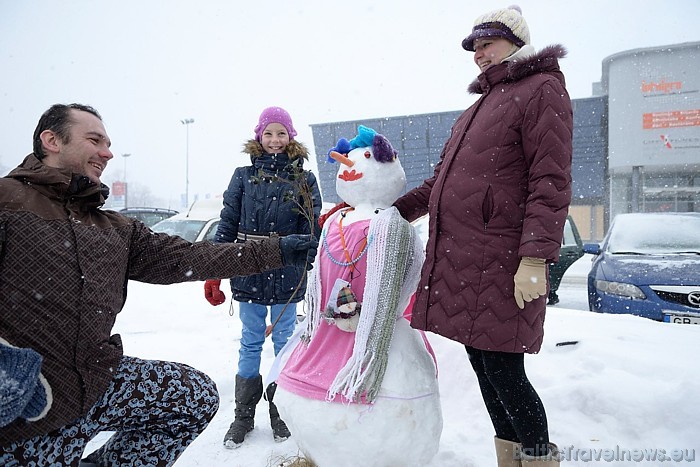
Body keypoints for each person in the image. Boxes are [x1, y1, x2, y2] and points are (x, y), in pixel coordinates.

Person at [0, 103, 318, 466]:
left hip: (95, 379)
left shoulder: (113, 228)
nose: (108, 152)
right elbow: (230, 219)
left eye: (108, 143)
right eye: (95, 140)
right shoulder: (7, 203)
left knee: (195, 396)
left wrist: (277, 250)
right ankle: (245, 414)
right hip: (23, 400)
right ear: (51, 140)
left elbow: (186, 257)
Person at [392, 6, 573, 467]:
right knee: (484, 365)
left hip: (504, 260)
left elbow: (549, 182)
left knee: (504, 369)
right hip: (468, 259)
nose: (479, 53)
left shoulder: (541, 90)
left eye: (487, 43)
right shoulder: (478, 107)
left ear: (516, 42)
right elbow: (441, 184)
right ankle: (511, 459)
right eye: (474, 46)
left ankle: (535, 460)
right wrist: (389, 213)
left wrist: (534, 259)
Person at [202, 106, 321, 448]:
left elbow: (311, 229)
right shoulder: (242, 176)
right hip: (248, 269)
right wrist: (214, 271)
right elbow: (226, 223)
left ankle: (281, 410)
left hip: (288, 274)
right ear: (258, 136)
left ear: (291, 136)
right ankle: (243, 416)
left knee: (284, 344)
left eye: (281, 133)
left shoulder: (304, 179)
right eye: (268, 133)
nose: (274, 140)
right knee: (251, 341)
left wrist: (307, 263)